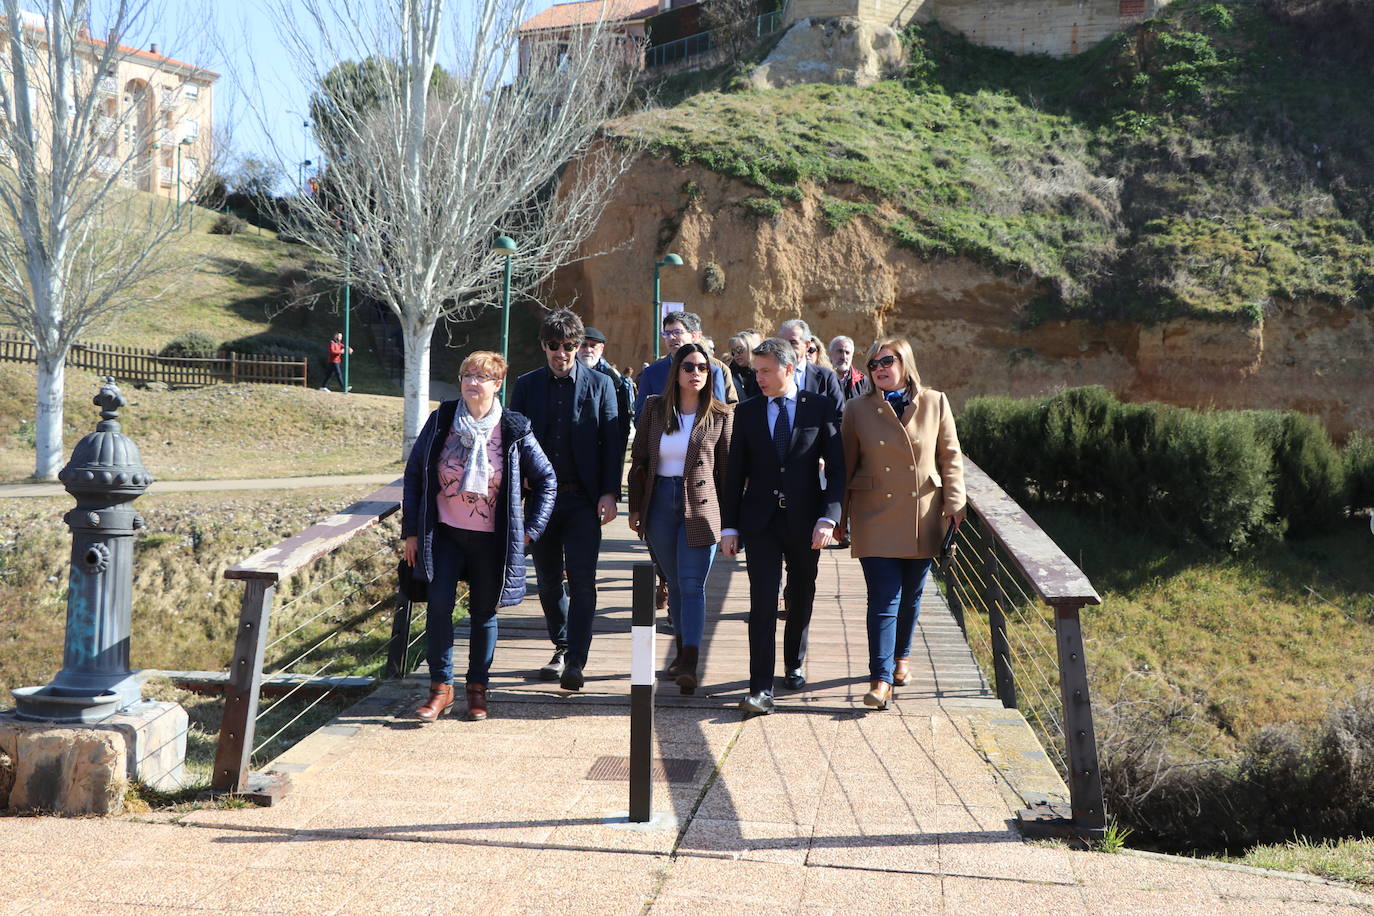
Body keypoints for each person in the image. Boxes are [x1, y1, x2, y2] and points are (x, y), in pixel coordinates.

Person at [402, 351, 556, 722]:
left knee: (483, 614)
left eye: (482, 376)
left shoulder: (515, 429)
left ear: (497, 384)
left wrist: (529, 533)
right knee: (438, 608)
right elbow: (414, 475)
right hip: (444, 533)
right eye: (467, 375)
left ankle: (477, 689)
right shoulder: (441, 420)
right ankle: (441, 688)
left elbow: (547, 481)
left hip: (492, 539)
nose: (472, 382)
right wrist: (409, 531)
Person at [840, 337, 966, 710]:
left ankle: (901, 658)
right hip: (874, 513)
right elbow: (845, 467)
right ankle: (879, 679)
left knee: (911, 596)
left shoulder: (935, 402)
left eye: (887, 361)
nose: (879, 368)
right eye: (873, 363)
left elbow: (951, 456)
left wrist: (956, 502)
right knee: (883, 599)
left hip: (923, 513)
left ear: (905, 363)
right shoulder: (856, 409)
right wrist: (838, 518)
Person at [721, 337, 844, 715]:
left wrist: (830, 517)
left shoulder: (819, 409)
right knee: (761, 602)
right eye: (756, 371)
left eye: (766, 371)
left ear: (789, 369)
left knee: (801, 593)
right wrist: (729, 527)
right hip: (760, 522)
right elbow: (733, 474)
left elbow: (837, 470)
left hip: (806, 521)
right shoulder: (748, 411)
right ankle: (760, 687)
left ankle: (794, 660)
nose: (759, 378)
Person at [509, 309, 621, 692]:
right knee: (546, 580)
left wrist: (610, 492)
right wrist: (518, 477)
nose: (562, 353)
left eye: (570, 346)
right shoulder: (526, 386)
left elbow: (613, 443)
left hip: (583, 500)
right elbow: (512, 440)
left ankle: (575, 660)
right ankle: (561, 644)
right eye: (555, 346)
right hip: (539, 501)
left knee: (584, 580)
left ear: (580, 347)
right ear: (544, 345)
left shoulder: (602, 384)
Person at [627, 343, 733, 694]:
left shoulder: (721, 415)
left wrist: (731, 522)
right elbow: (640, 459)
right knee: (672, 583)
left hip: (700, 505)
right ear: (677, 371)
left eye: (703, 367)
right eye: (689, 366)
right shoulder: (656, 408)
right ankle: (682, 651)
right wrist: (637, 508)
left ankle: (688, 658)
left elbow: (728, 473)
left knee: (691, 585)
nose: (696, 373)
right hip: (660, 503)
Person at [635, 311, 734, 421]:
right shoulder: (651, 373)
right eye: (667, 333)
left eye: (677, 332)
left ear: (694, 336)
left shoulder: (713, 371)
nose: (671, 337)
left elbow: (719, 417)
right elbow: (641, 418)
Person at [579, 327, 635, 459]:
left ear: (601, 349)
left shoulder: (613, 378)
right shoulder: (567, 372)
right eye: (584, 345)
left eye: (593, 346)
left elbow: (621, 421)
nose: (588, 350)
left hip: (603, 448)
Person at [777, 319, 845, 414]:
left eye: (793, 342)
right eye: (783, 343)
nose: (787, 348)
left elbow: (839, 414)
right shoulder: (766, 375)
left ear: (807, 345)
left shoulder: (826, 377)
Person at [726, 331, 762, 401]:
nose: (736, 355)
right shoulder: (729, 373)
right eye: (733, 352)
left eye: (739, 350)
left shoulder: (761, 370)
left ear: (750, 348)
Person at [829, 335, 864, 401]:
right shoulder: (822, 378)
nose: (843, 357)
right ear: (830, 354)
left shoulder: (861, 380)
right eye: (840, 351)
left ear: (852, 356)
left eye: (847, 353)